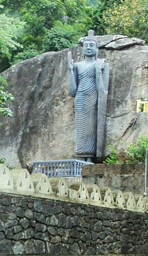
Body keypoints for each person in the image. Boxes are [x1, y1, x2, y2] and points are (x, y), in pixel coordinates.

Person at [67, 30, 109, 159]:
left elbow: (104, 88)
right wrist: (70, 69)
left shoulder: (102, 64)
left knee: (91, 128)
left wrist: (98, 70)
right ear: (82, 49)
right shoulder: (77, 66)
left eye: (92, 45)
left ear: (97, 49)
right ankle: (81, 154)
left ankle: (91, 156)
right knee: (81, 128)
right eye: (86, 46)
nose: (89, 48)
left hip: (93, 98)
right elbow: (72, 91)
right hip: (80, 98)